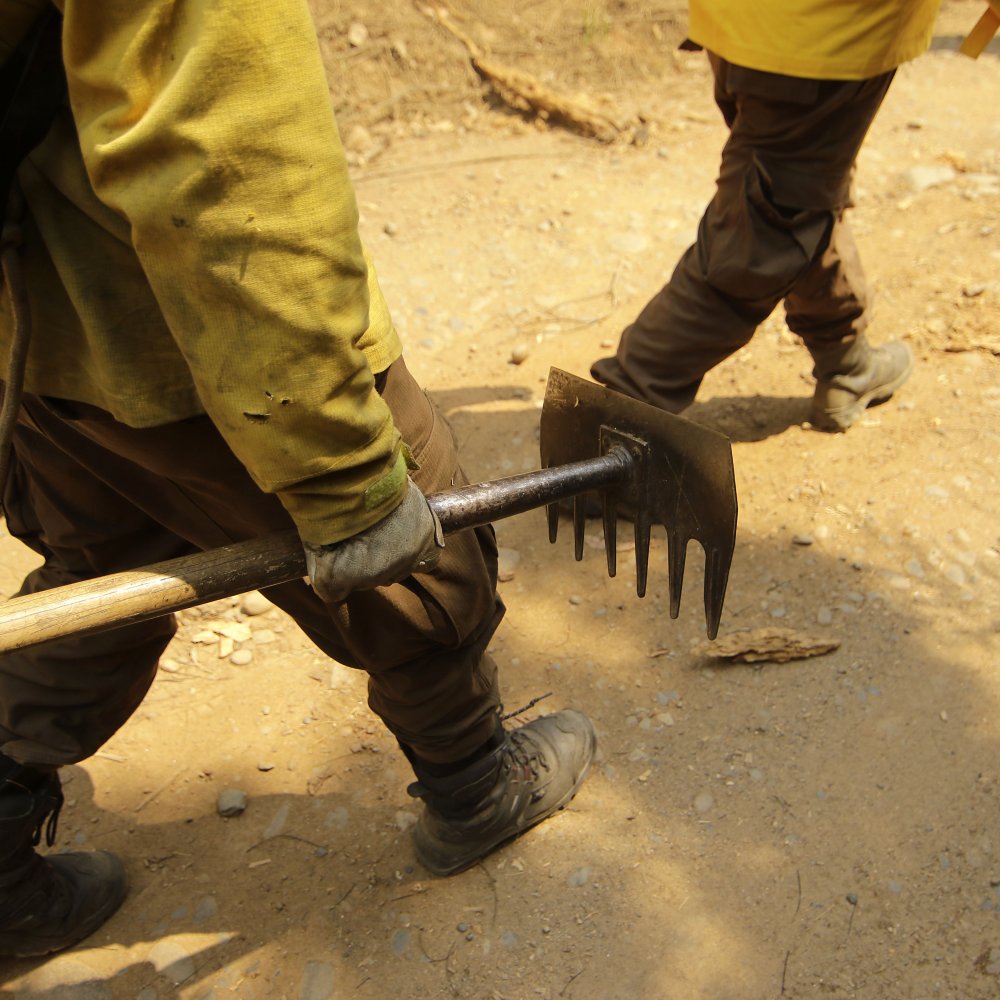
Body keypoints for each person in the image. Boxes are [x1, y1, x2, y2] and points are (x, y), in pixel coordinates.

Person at [0, 1, 596, 959]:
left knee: (101, 575)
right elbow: (224, 167)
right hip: (183, 344)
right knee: (421, 574)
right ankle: (476, 788)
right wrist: (345, 472)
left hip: (29, 352)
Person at [591, 0, 943, 432]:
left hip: (743, 24)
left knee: (793, 196)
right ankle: (619, 417)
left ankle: (846, 361)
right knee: (762, 233)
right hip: (826, 37)